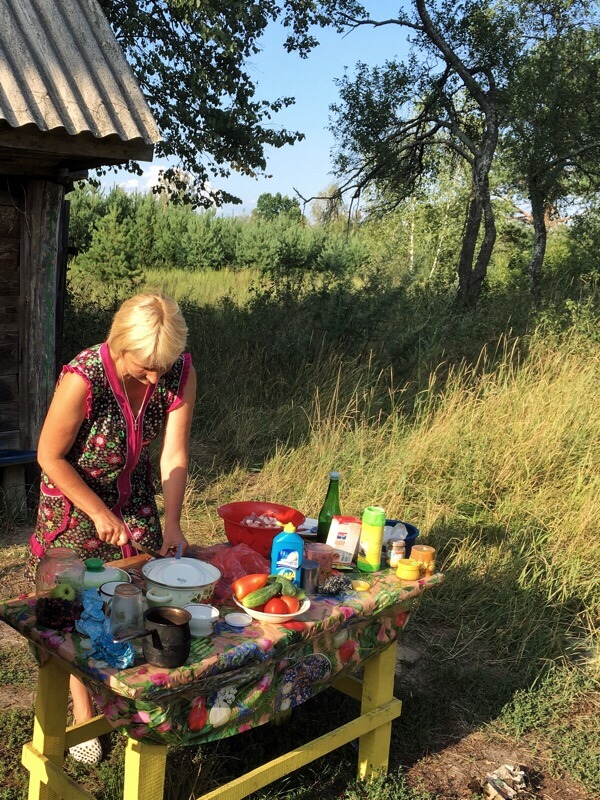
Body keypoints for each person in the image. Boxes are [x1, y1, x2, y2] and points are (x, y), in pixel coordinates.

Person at [26, 293, 197, 764]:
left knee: (139, 591)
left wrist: (174, 523)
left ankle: (127, 696)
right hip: (75, 502)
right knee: (77, 606)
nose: (157, 378)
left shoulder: (177, 372)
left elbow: (174, 455)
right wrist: (99, 513)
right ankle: (84, 716)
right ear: (119, 345)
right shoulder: (84, 378)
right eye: (146, 367)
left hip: (134, 496)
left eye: (165, 366)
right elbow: (49, 456)